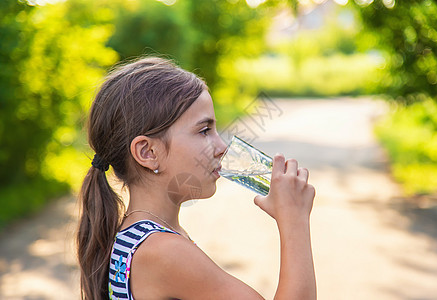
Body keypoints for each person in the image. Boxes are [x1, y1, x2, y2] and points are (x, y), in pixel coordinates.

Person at [77, 57, 316, 300]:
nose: (221, 146)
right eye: (204, 131)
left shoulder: (139, 237)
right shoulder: (163, 251)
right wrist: (294, 220)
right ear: (148, 153)